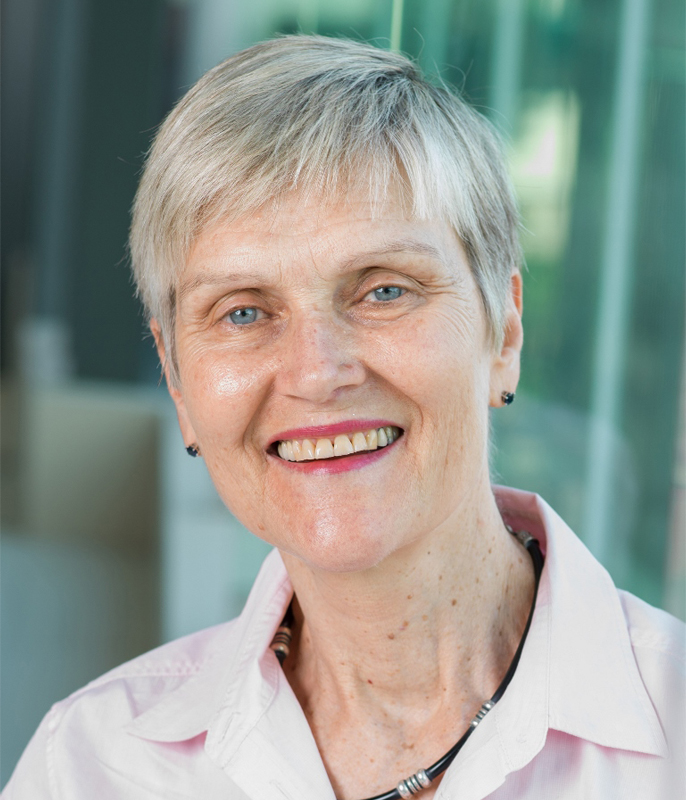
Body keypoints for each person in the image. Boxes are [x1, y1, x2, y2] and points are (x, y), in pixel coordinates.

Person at [4, 35, 684, 800]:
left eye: (384, 290)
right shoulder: (89, 769)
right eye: (243, 311)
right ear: (178, 381)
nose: (317, 373)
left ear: (505, 331)